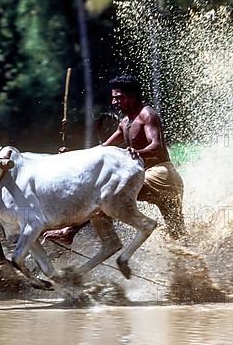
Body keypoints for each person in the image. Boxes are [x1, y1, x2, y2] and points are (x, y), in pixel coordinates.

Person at [44, 75, 186, 244]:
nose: (114, 102)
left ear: (132, 96)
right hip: (145, 176)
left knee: (109, 194)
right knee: (178, 237)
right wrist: (72, 155)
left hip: (163, 175)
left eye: (119, 98)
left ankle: (70, 231)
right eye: (113, 98)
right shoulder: (125, 122)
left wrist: (138, 152)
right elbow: (102, 149)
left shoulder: (147, 115)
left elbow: (157, 146)